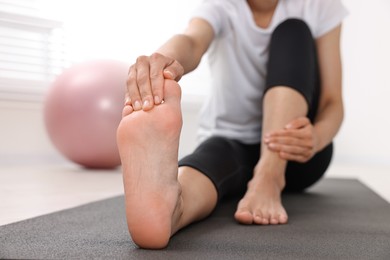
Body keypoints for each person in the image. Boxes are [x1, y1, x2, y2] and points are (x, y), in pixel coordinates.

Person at [117, 0, 348, 249]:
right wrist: (163, 61)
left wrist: (317, 137)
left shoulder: (319, 5)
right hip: (230, 141)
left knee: (293, 30)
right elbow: (192, 41)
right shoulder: (222, 5)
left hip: (295, 153)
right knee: (210, 159)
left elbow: (332, 103)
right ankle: (171, 209)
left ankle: (269, 176)